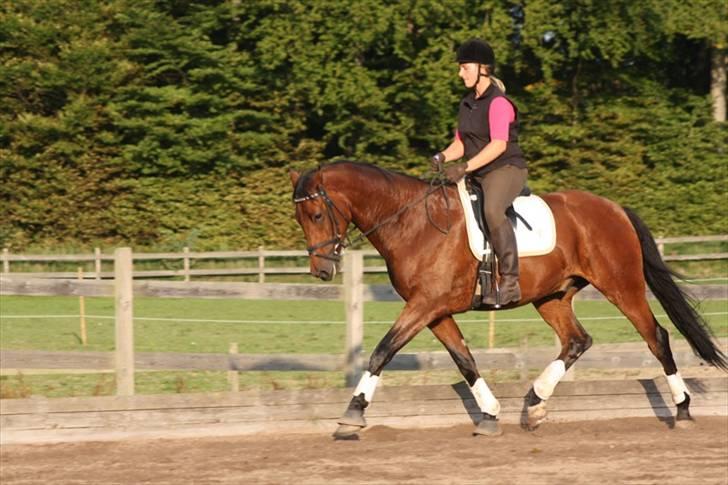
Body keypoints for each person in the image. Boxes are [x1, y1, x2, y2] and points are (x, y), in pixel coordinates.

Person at [431, 39, 528, 305]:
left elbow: (498, 145)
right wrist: (441, 156)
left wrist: (464, 167)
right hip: (477, 171)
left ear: (482, 68)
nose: (460, 73)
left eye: (464, 67)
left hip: (505, 169)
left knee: (492, 210)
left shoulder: (498, 103)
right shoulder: (467, 103)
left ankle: (510, 281)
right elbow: (460, 143)